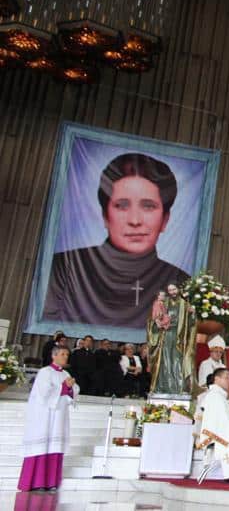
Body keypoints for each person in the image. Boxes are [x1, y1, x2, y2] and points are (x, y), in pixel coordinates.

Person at [43, 153, 190, 327]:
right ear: (105, 215)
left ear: (165, 219)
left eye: (148, 206)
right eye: (122, 205)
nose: (135, 220)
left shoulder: (179, 280)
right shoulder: (64, 266)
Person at [18, 346, 80, 492]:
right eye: (63, 354)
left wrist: (70, 388)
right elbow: (43, 393)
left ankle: (51, 482)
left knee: (55, 447)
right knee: (42, 446)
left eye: (67, 354)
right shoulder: (45, 372)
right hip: (45, 417)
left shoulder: (66, 373)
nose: (66, 357)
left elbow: (74, 389)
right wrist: (64, 387)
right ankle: (36, 482)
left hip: (59, 417)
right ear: (54, 356)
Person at [146, 282, 196, 395]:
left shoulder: (185, 304)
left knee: (177, 361)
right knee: (164, 361)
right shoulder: (164, 302)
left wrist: (192, 314)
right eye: (170, 290)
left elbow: (191, 324)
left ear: (178, 289)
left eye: (174, 289)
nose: (172, 292)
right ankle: (162, 387)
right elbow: (153, 318)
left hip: (179, 338)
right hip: (165, 335)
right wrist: (157, 322)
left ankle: (178, 388)